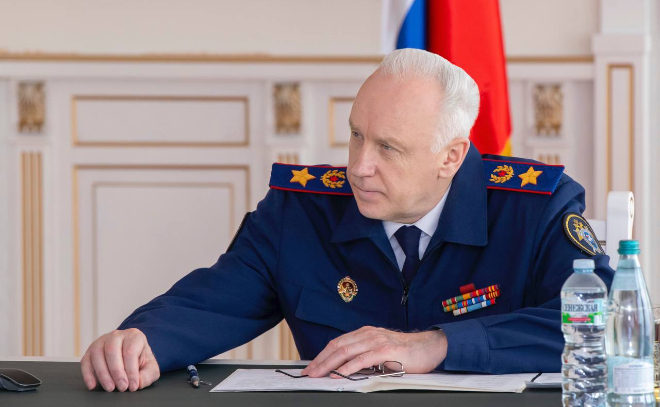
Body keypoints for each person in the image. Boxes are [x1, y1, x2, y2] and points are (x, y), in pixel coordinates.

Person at [80, 48, 614, 392]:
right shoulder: (300, 210)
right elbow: (214, 301)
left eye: (388, 147)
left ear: (451, 157)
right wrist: (142, 340)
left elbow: (603, 322)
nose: (359, 166)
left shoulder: (533, 208)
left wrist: (436, 344)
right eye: (357, 135)